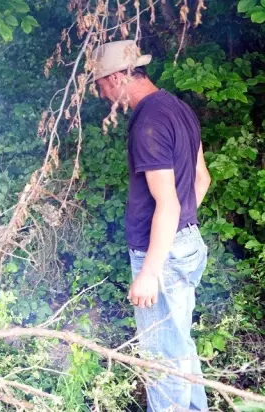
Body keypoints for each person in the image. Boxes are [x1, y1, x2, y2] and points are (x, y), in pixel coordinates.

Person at [92, 40, 212, 411]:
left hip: (163, 254)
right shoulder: (178, 108)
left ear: (115, 78)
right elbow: (201, 179)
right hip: (186, 243)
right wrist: (180, 227)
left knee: (160, 357)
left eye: (100, 87)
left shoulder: (148, 122)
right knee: (180, 346)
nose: (102, 95)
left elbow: (168, 202)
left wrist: (150, 271)